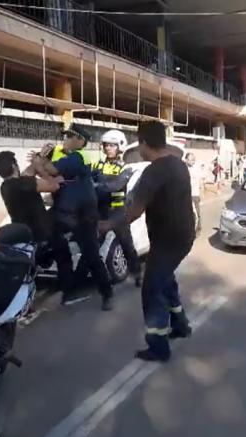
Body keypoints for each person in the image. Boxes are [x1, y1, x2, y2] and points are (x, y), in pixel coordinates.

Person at [100, 121, 194, 362]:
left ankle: (159, 347)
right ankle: (181, 325)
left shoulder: (154, 171)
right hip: (182, 237)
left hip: (167, 241)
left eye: (138, 143)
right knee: (165, 280)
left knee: (152, 290)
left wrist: (108, 224)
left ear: (143, 142)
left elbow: (134, 211)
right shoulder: (178, 164)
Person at [31, 125, 114, 310]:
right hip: (65, 213)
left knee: (92, 256)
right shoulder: (66, 158)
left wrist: (40, 162)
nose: (65, 139)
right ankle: (67, 288)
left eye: (69, 136)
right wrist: (41, 160)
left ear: (79, 140)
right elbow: (50, 178)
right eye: (65, 136)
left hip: (83, 216)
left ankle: (107, 293)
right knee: (58, 247)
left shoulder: (77, 157)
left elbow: (50, 172)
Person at [0, 151, 71, 285]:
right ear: (14, 166)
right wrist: (41, 168)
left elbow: (26, 174)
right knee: (63, 254)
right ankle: (68, 289)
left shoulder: (6, 186)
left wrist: (37, 159)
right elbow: (54, 186)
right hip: (42, 232)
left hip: (25, 233)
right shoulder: (25, 183)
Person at [79, 129, 141, 285]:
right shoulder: (98, 165)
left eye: (112, 145)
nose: (108, 148)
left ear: (120, 146)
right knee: (91, 247)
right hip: (100, 212)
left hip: (118, 213)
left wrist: (94, 185)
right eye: (106, 145)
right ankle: (77, 281)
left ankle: (137, 273)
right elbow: (84, 177)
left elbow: (115, 186)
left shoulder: (126, 167)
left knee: (127, 246)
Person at [184, 153, 204, 236]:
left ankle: (197, 230)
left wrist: (201, 193)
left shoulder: (196, 169)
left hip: (195, 195)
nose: (193, 161)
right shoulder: (182, 169)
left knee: (197, 213)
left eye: (194, 160)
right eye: (191, 160)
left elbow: (200, 181)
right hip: (185, 195)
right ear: (186, 160)